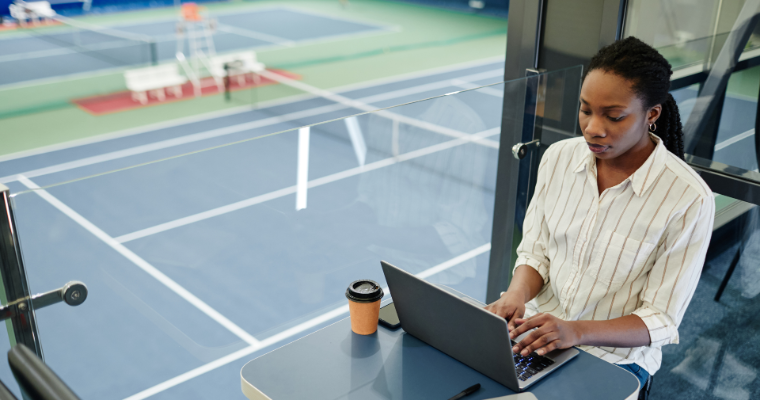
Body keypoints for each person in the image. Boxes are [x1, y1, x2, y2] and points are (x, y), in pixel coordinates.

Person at [485, 36, 715, 394]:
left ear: (651, 114)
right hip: (537, 336)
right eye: (585, 109)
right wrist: (515, 296)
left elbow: (661, 319)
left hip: (614, 359)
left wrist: (576, 330)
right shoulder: (559, 158)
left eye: (614, 116)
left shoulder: (688, 199)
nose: (593, 127)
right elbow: (536, 253)